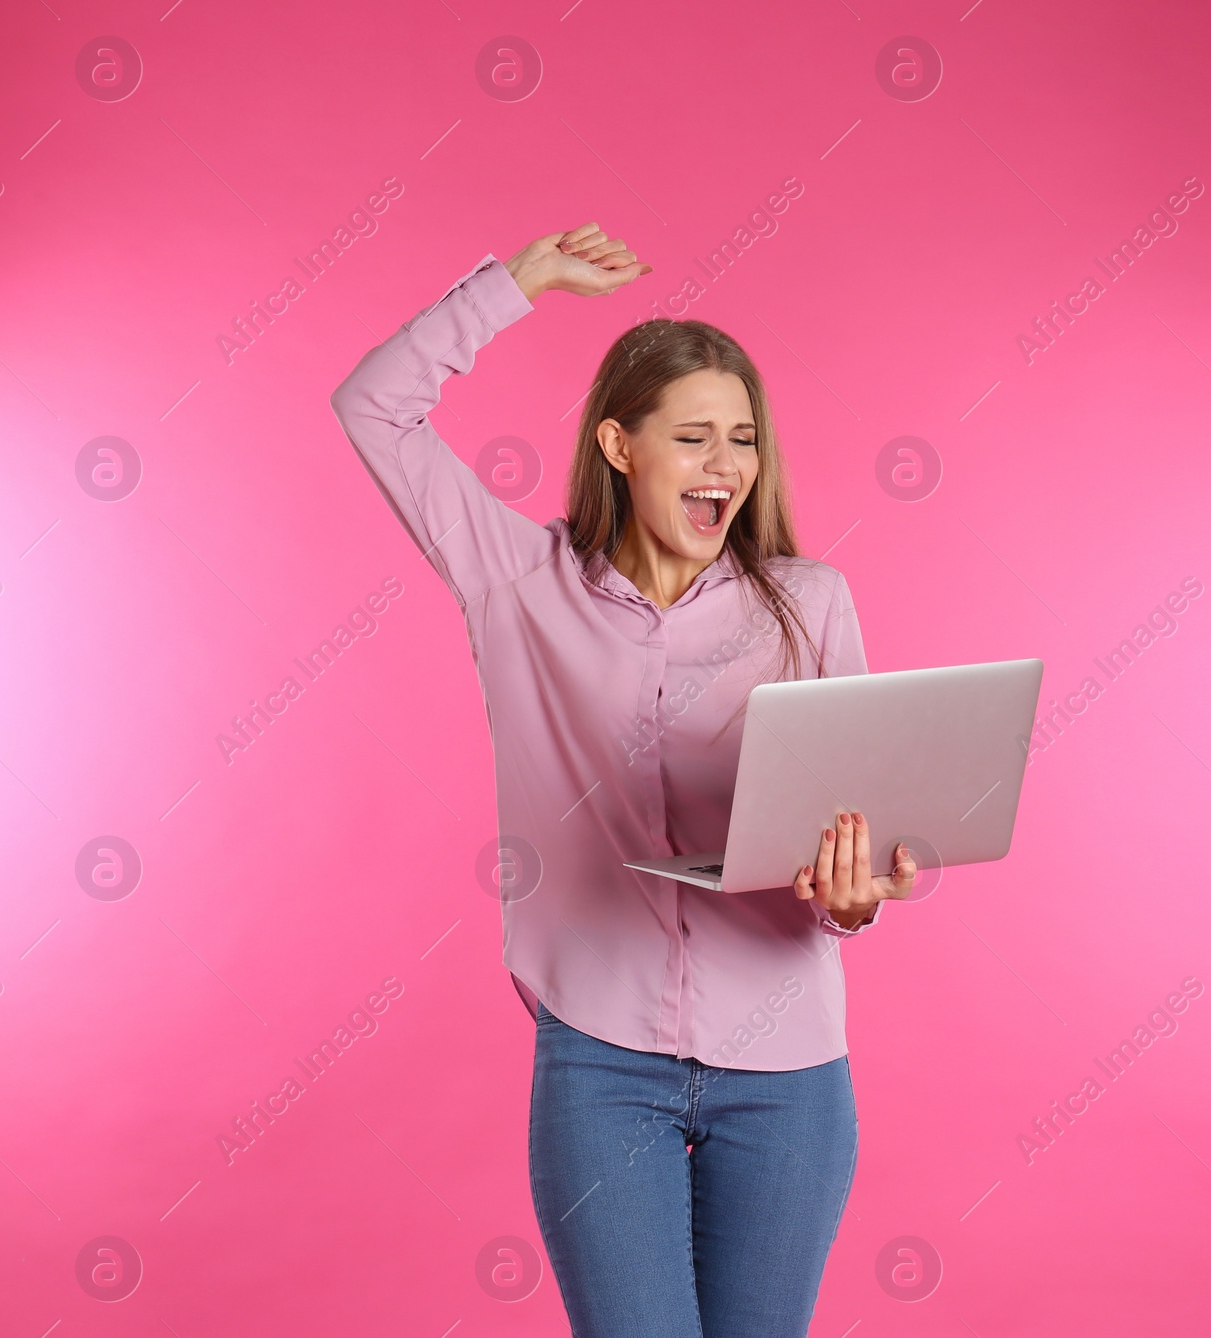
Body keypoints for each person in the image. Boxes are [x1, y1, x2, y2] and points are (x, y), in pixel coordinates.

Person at [330, 223, 918, 1337]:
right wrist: (518, 284)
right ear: (617, 444)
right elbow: (371, 406)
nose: (725, 468)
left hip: (787, 1070)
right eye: (692, 438)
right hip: (602, 1066)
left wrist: (858, 899)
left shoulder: (812, 600)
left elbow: (863, 837)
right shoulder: (517, 584)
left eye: (740, 440)